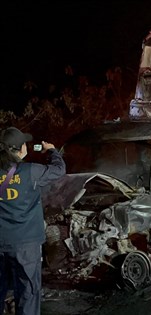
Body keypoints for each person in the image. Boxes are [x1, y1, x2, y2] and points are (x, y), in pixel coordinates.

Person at [0, 127, 66, 315]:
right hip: (26, 246)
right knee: (28, 294)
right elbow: (59, 170)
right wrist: (52, 151)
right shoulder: (31, 172)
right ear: (20, 149)